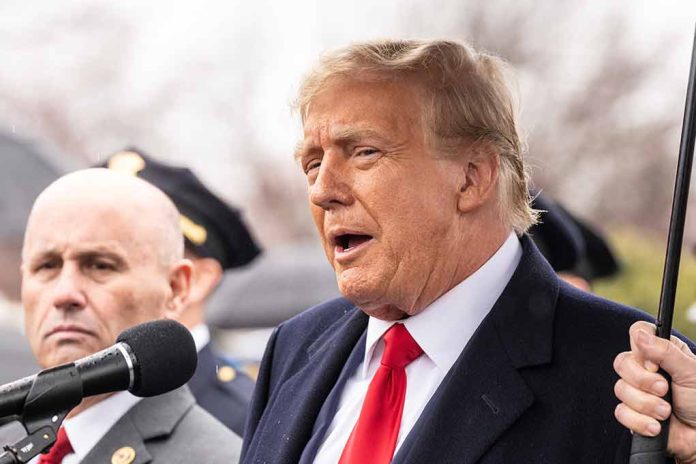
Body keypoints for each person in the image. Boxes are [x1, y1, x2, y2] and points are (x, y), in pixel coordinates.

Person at [241, 39, 696, 463]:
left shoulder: (638, 384)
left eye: (363, 152)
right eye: (313, 163)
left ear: (472, 177)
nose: (323, 191)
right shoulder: (294, 349)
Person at [21, 169, 241, 463]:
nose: (64, 294)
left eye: (100, 266)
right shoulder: (17, 443)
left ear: (176, 288)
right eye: (46, 266)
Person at [101, 148, 261, 435]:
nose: (71, 286)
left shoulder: (243, 423)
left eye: (105, 263)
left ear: (189, 282)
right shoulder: (65, 410)